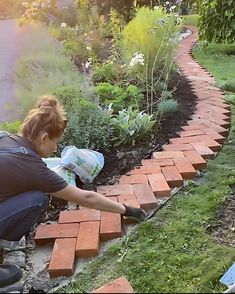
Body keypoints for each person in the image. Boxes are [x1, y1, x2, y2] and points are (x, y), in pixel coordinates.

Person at [0, 95, 146, 287]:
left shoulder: (5, 137)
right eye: (56, 141)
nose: (56, 148)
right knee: (38, 199)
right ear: (44, 138)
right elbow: (86, 197)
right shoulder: (33, 167)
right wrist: (127, 210)